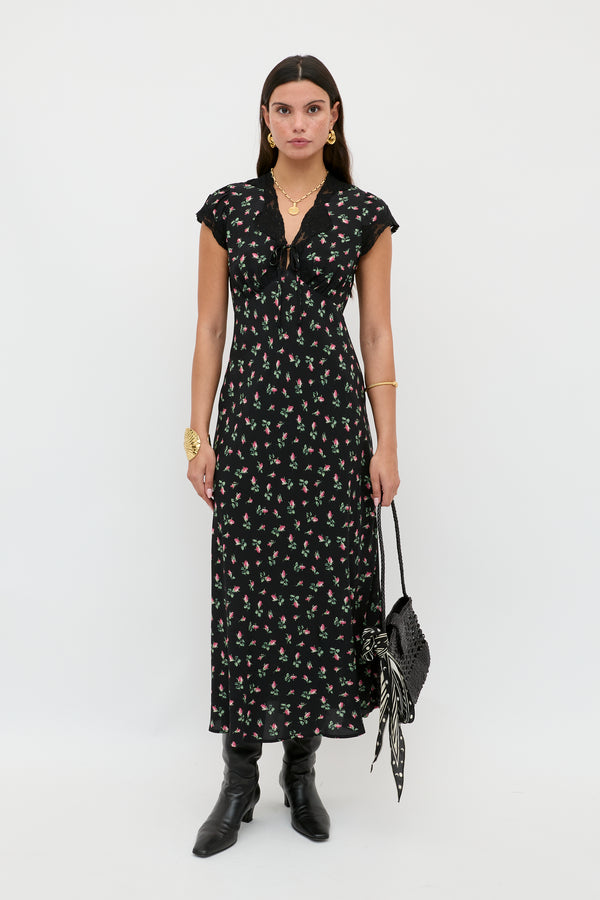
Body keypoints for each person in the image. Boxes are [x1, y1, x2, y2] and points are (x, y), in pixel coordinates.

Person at [185, 54, 400, 857]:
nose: (299, 121)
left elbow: (376, 332)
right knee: (248, 595)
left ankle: (301, 772)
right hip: (250, 423)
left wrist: (387, 442)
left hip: (332, 431)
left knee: (319, 594)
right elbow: (210, 329)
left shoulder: (364, 214)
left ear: (334, 117)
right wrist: (197, 434)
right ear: (266, 119)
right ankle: (239, 778)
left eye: (314, 108)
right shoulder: (227, 211)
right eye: (284, 108)